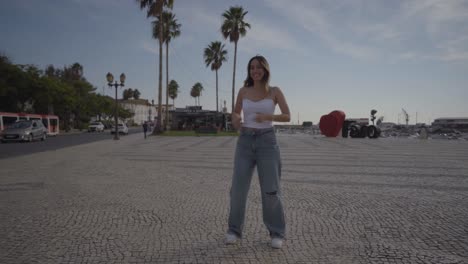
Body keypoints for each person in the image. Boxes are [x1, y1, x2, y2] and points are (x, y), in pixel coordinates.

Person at [225, 55, 291, 249]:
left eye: (259, 67)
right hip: (245, 141)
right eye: (252, 67)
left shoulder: (275, 91)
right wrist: (236, 118)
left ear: (265, 70)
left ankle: (276, 232)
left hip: (267, 142)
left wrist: (267, 116)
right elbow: (236, 112)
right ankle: (234, 230)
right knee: (238, 189)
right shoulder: (243, 91)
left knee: (271, 190)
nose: (255, 70)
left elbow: (287, 115)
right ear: (249, 71)